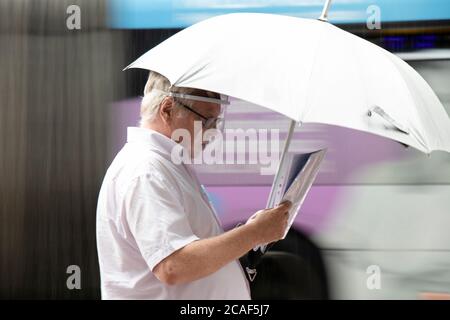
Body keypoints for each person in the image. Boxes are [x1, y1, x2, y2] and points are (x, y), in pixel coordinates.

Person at [96, 71, 291, 299]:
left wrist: (247, 237)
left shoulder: (166, 164)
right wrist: (254, 233)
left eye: (217, 121)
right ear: (167, 110)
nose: (213, 131)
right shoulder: (147, 171)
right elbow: (173, 266)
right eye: (207, 120)